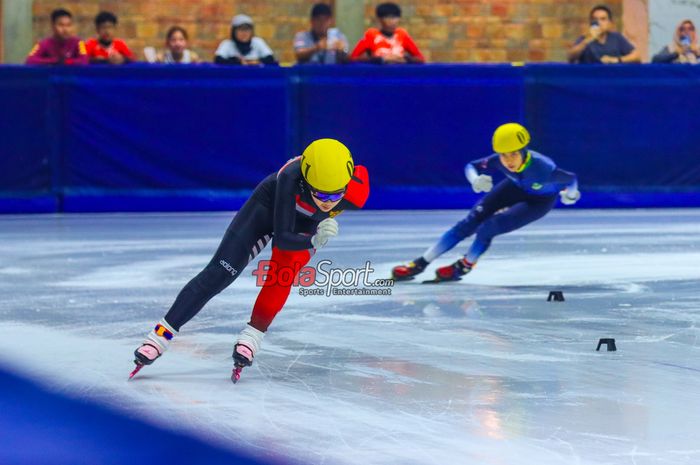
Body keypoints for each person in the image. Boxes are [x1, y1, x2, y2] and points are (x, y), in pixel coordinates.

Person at [130, 139, 370, 382]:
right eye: (320, 193)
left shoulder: (357, 192)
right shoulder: (289, 177)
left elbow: (288, 250)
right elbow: (283, 240)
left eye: (337, 194)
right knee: (220, 272)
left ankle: (253, 335)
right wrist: (314, 241)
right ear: (307, 180)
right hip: (267, 209)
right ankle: (160, 335)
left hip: (306, 224)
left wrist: (313, 234)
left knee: (282, 273)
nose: (328, 201)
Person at [392, 123, 580, 283]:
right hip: (514, 187)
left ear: (523, 150)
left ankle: (464, 266)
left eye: (513, 154)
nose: (508, 161)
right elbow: (471, 166)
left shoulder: (543, 167)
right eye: (503, 155)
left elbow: (570, 178)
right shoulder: (497, 160)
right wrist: (474, 179)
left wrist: (570, 194)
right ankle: (420, 263)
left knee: (488, 228)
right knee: (468, 223)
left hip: (539, 201)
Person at [350, 2, 424, 64]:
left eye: (395, 17)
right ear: (379, 19)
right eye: (388, 17)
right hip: (377, 75)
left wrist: (405, 59)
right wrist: (380, 59)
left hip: (399, 75)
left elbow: (420, 59)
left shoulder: (402, 34)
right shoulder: (371, 35)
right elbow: (352, 58)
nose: (392, 21)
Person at [567, 5, 641, 64]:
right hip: (591, 78)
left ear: (610, 23)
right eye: (595, 19)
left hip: (612, 78)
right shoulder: (585, 38)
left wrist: (617, 60)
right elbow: (571, 57)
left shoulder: (616, 38)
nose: (599, 23)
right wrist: (586, 41)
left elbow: (637, 56)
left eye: (603, 19)